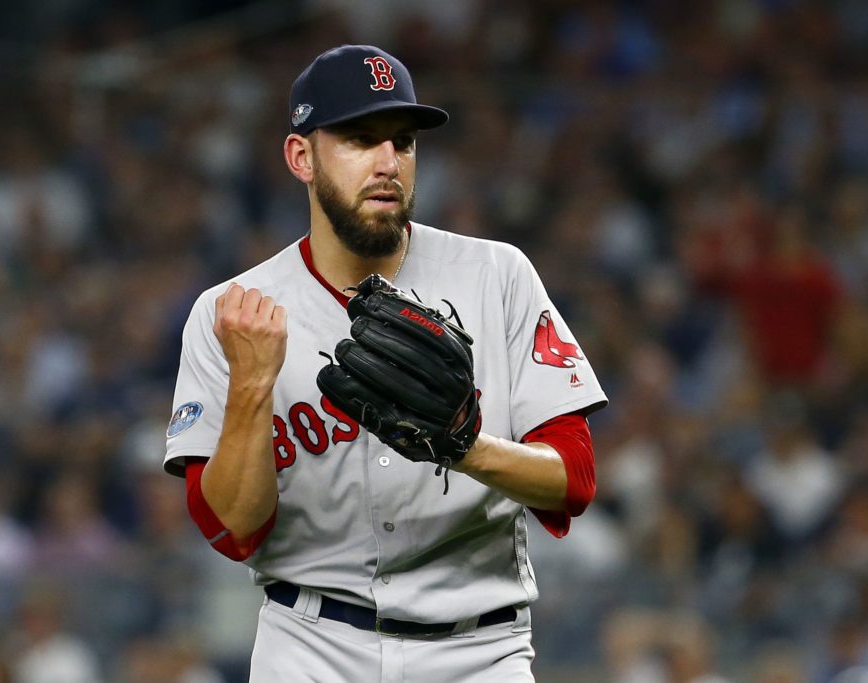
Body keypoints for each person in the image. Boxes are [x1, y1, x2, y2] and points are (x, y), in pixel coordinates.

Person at [164, 44, 608, 682]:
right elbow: (232, 530)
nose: (387, 162)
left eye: (402, 141)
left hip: (478, 651)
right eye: (359, 138)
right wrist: (252, 388)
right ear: (301, 157)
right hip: (309, 646)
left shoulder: (497, 276)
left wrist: (462, 446)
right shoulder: (232, 314)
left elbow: (576, 478)